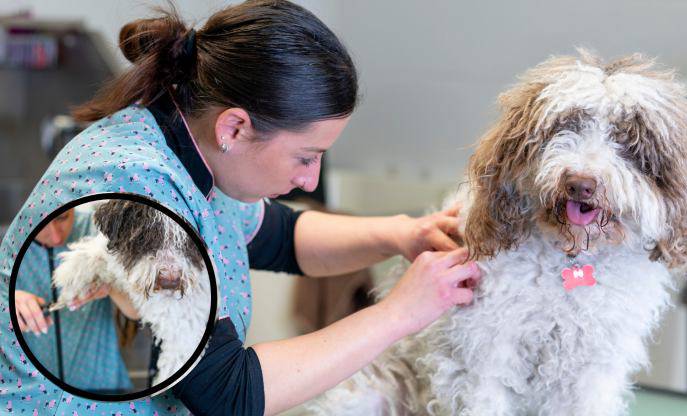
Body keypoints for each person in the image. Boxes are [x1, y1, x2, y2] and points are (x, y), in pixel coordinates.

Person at [0, 1, 481, 414]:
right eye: (304, 157)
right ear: (235, 128)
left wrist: (401, 234)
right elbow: (229, 393)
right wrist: (401, 313)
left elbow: (278, 237)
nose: (310, 180)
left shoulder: (191, 144)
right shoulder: (140, 186)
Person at [13, 206, 138, 393]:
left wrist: (110, 284)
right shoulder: (9, 244)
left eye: (63, 218)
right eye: (40, 224)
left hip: (103, 389)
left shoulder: (98, 227)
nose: (56, 237)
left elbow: (137, 311)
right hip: (32, 393)